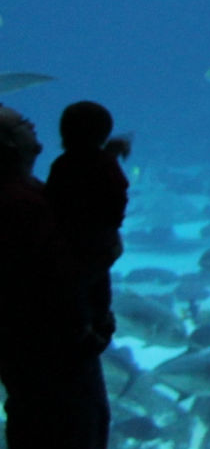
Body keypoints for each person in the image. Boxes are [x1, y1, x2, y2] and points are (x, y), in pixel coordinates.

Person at [0, 103, 111, 449]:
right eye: (19, 122)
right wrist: (83, 331)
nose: (31, 121)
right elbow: (56, 274)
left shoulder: (26, 191)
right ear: (7, 143)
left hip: (38, 350)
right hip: (54, 352)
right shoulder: (17, 202)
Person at [43, 100, 130, 348]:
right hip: (98, 242)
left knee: (79, 290)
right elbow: (113, 190)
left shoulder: (62, 164)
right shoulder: (104, 165)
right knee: (95, 290)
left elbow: (56, 197)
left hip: (70, 243)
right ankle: (92, 330)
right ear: (103, 135)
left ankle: (85, 328)